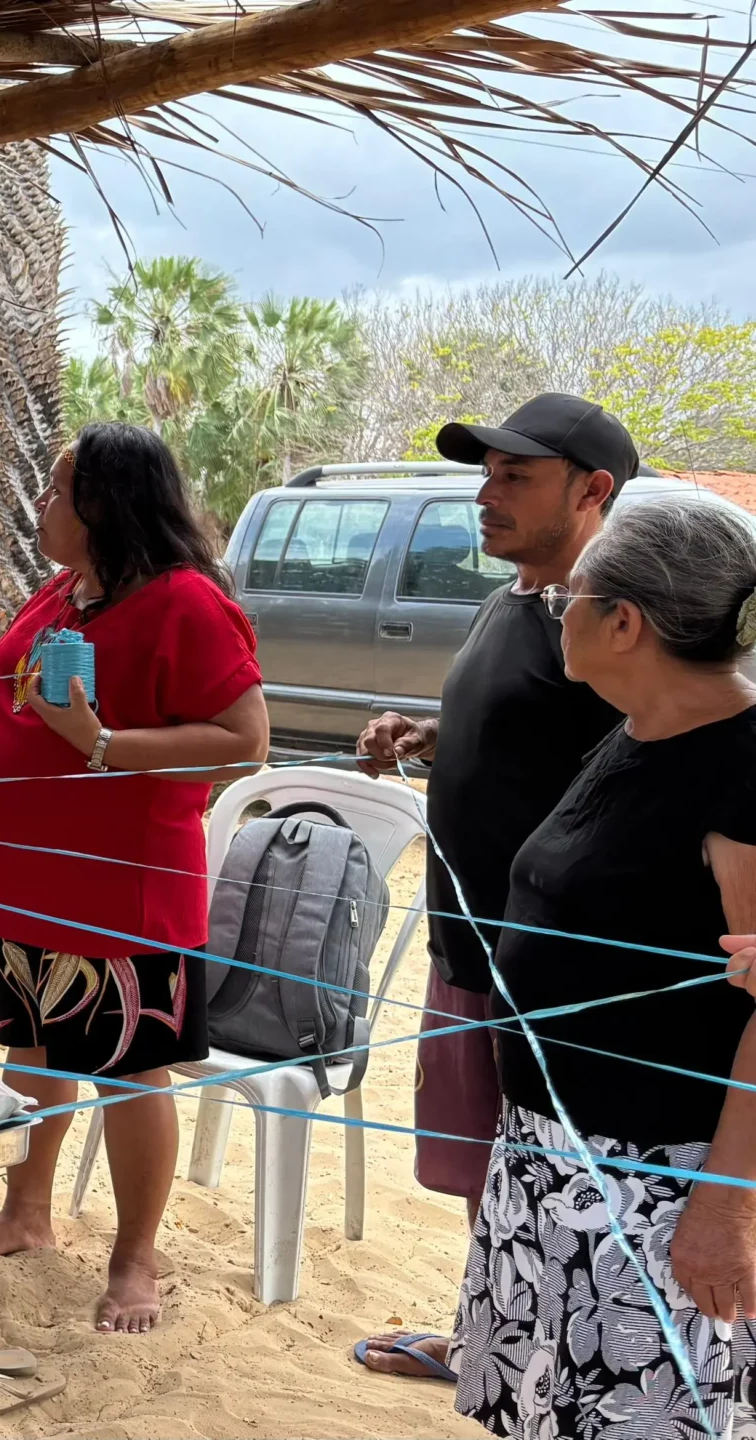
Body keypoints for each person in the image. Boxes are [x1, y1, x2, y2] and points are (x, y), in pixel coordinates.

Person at [0, 421, 268, 1333]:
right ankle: (28, 1209)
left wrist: (108, 743)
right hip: (28, 878)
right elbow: (39, 728)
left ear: (106, 505)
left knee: (131, 1067)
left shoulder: (186, 603)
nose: (43, 503)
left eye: (57, 489)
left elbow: (244, 741)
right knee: (35, 1043)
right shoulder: (64, 593)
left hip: (120, 886)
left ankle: (135, 1258)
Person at [450, 494, 756, 1438]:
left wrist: (728, 1208)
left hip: (662, 1185)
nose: (555, 614)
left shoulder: (742, 771)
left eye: (568, 599)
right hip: (557, 1158)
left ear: (624, 622)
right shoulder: (633, 729)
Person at [350, 393, 635, 1383]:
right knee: (487, 1170)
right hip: (467, 949)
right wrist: (427, 737)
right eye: (485, 474)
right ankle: (489, 1341)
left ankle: (550, 1368)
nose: (486, 494)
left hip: (557, 972)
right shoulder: (512, 599)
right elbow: (520, 734)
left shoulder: (610, 620)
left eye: (516, 476)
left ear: (592, 490)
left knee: (565, 1185)